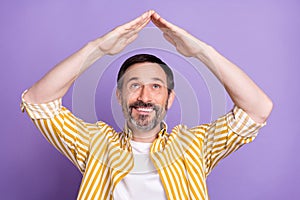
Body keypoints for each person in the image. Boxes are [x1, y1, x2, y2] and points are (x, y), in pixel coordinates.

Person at [21, 10, 273, 200]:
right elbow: (38, 101)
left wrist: (200, 51)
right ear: (119, 97)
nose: (144, 96)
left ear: (169, 99)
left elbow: (257, 109)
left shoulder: (195, 146)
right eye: (134, 85)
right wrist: (96, 48)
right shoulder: (95, 143)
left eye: (155, 86)